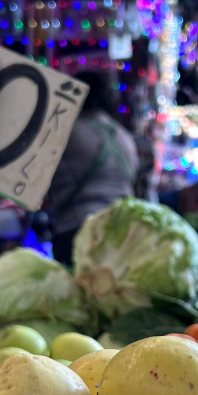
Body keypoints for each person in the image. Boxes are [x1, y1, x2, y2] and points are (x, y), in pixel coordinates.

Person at [42, 70, 140, 265]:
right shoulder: (125, 137)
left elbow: (39, 180)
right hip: (123, 235)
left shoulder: (68, 131)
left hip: (77, 231)